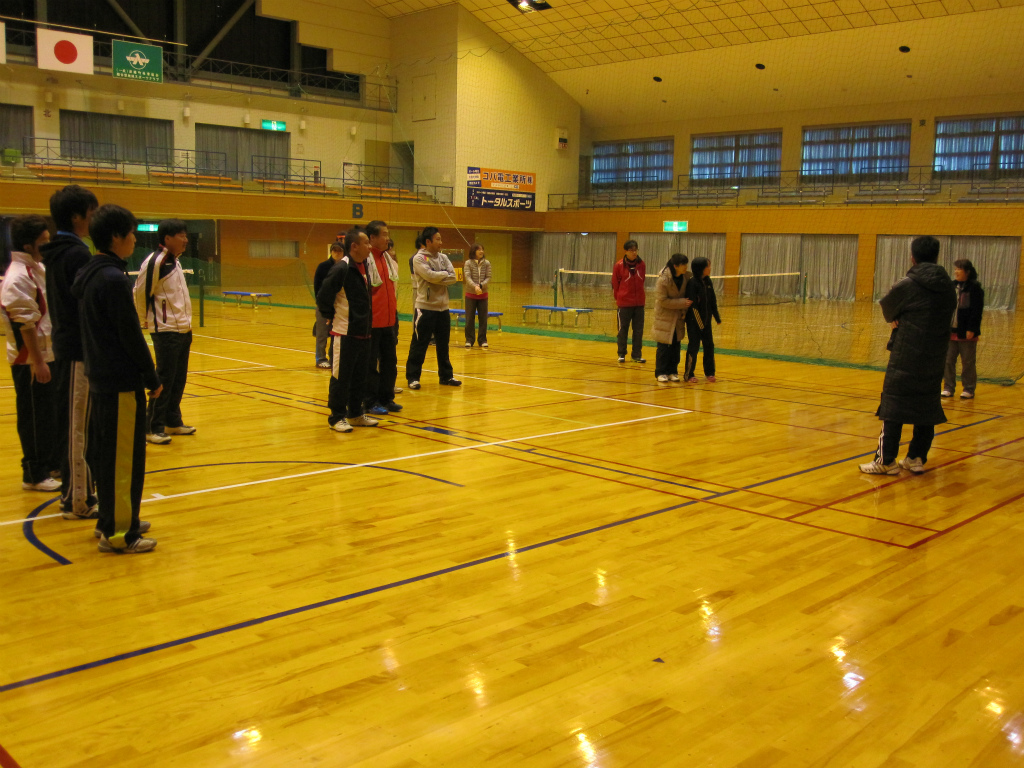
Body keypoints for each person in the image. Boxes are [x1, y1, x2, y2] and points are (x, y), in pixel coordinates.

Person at [73, 204, 160, 552]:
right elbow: (130, 336)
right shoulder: (112, 280)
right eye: (130, 233)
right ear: (115, 237)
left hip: (100, 378)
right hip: (120, 381)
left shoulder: (90, 274)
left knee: (108, 456)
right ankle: (121, 533)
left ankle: (112, 518)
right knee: (123, 459)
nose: (134, 239)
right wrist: (151, 375)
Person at [860, 235, 957, 475]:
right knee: (926, 406)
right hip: (935, 356)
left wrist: (899, 318)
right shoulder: (948, 287)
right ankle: (916, 457)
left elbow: (888, 308)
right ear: (936, 256)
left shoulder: (908, 284)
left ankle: (885, 460)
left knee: (893, 405)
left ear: (913, 257)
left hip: (907, 355)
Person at [40, 184, 100, 517]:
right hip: (76, 350)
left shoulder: (61, 251)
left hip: (68, 346)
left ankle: (77, 492)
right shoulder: (75, 254)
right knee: (77, 427)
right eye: (91, 214)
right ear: (77, 217)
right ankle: (77, 499)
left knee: (77, 424)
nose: (94, 219)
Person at [1, 215, 59, 492]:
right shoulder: (17, 277)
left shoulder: (37, 268)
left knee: (48, 415)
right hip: (29, 361)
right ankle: (33, 473)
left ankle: (49, 463)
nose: (47, 245)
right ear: (27, 245)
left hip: (47, 355)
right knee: (33, 417)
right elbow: (25, 326)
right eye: (43, 241)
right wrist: (38, 362)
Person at [134, 219, 195, 445]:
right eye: (181, 235)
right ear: (167, 238)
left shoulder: (175, 262)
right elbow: (140, 293)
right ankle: (153, 427)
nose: (186, 240)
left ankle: (172, 420)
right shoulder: (155, 262)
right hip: (166, 331)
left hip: (183, 330)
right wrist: (143, 320)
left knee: (179, 379)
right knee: (164, 380)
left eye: (186, 235)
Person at [316, 228, 378, 433]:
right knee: (340, 377)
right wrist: (330, 316)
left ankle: (355, 413)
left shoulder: (365, 265)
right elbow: (323, 296)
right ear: (354, 246)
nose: (370, 247)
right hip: (344, 333)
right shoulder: (341, 268)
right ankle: (336, 417)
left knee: (360, 377)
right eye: (366, 243)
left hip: (364, 333)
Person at [406, 226, 460, 390]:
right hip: (425, 308)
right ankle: (413, 377)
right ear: (428, 241)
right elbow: (429, 276)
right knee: (419, 344)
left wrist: (438, 276)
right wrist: (443, 274)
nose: (441, 242)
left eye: (440, 239)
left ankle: (446, 376)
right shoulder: (419, 258)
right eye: (438, 239)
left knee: (443, 344)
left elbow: (454, 277)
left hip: (443, 309)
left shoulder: (443, 257)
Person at [363, 220, 402, 415]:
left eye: (388, 234)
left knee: (389, 362)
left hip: (388, 321)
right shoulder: (365, 260)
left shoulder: (388, 260)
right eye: (384, 234)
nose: (388, 238)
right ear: (372, 238)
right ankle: (370, 401)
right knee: (370, 365)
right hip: (372, 322)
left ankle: (387, 398)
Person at [942, 258, 984, 400]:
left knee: (967, 362)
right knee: (948, 361)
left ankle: (968, 388)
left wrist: (972, 328)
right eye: (955, 269)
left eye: (959, 269)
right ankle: (948, 387)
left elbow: (977, 311)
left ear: (967, 271)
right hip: (950, 331)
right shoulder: (951, 286)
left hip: (966, 331)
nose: (956, 272)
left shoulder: (975, 288)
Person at [652, 253, 691, 383]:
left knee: (676, 345)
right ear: (675, 266)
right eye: (683, 264)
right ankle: (661, 372)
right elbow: (662, 300)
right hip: (664, 316)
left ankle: (672, 371)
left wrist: (684, 310)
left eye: (686, 264)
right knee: (663, 346)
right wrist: (682, 303)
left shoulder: (686, 277)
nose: (685, 267)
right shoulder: (663, 280)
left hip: (678, 317)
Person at [682, 256, 721, 383]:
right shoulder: (692, 283)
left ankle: (710, 372)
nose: (710, 268)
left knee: (709, 346)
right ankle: (689, 374)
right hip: (694, 322)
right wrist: (700, 324)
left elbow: (712, 301)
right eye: (708, 266)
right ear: (701, 268)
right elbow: (693, 306)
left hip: (706, 322)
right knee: (694, 347)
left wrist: (716, 316)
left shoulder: (708, 282)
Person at [612, 239, 646, 364]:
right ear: (626, 251)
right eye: (631, 250)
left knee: (638, 331)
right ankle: (621, 354)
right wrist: (620, 298)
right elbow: (615, 284)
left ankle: (636, 355)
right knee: (623, 330)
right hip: (624, 304)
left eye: (636, 250)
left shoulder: (642, 264)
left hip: (639, 304)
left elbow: (642, 281)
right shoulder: (619, 265)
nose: (634, 252)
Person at [312, 242, 342, 369]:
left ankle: (333, 357)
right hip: (324, 305)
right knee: (322, 333)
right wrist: (322, 304)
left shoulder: (345, 266)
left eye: (339, 251)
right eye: (334, 251)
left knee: (336, 333)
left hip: (339, 306)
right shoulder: (323, 266)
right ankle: (320, 358)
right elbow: (317, 286)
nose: (337, 253)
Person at [463, 243, 491, 349]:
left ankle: (482, 340)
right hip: (470, 295)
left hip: (483, 296)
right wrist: (475, 286)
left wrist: (481, 285)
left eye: (482, 249)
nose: (481, 251)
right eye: (479, 249)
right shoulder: (468, 263)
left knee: (483, 319)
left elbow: (488, 277)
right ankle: (469, 340)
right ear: (473, 251)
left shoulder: (487, 263)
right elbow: (467, 277)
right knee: (469, 319)